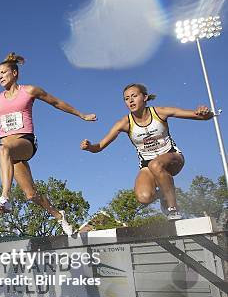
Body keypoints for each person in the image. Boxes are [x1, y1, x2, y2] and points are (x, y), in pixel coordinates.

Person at [0, 53, 97, 235]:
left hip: (26, 143)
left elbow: (56, 102)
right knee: (31, 195)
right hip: (11, 155)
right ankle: (59, 216)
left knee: (2, 149)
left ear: (15, 73)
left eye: (3, 72)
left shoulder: (28, 91)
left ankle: (5, 197)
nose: (0, 76)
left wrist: (81, 115)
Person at [80, 83, 213, 220]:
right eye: (126, 98)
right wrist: (90, 147)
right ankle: (163, 193)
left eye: (134, 96)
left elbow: (201, 116)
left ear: (145, 97)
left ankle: (173, 208)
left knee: (156, 164)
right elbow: (100, 146)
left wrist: (204, 112)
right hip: (147, 165)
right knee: (144, 197)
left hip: (172, 158)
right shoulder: (124, 123)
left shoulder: (160, 112)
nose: (130, 100)